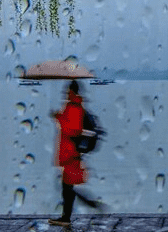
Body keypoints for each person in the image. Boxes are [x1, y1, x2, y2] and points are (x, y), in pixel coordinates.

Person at [49, 80, 101, 227]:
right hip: (69, 152)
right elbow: (70, 124)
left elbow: (72, 130)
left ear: (72, 91)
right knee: (68, 187)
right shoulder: (73, 106)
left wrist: (57, 117)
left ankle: (69, 216)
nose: (66, 93)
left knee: (68, 188)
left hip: (70, 153)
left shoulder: (74, 106)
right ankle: (68, 215)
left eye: (67, 90)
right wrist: (59, 116)